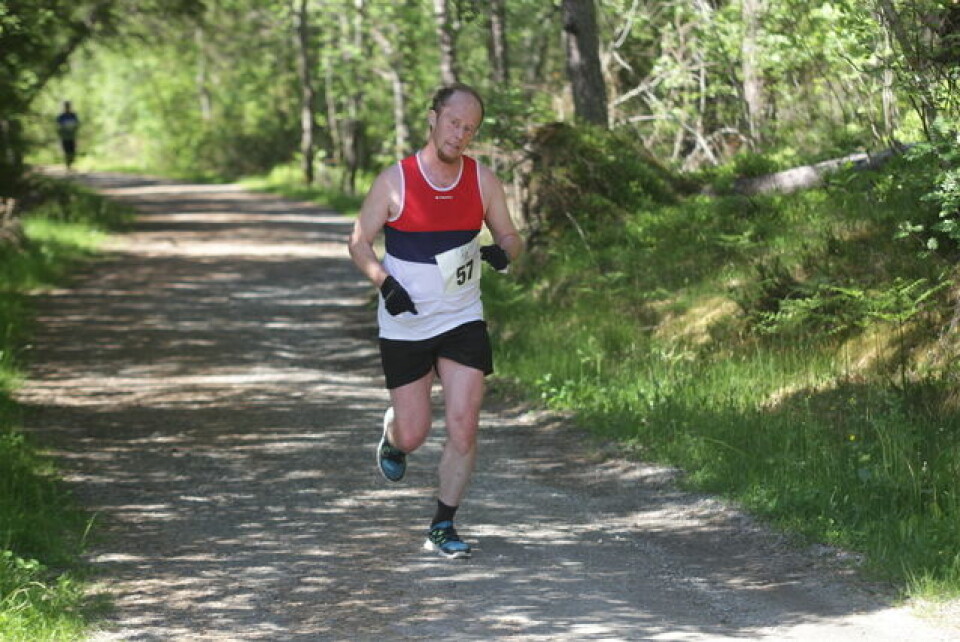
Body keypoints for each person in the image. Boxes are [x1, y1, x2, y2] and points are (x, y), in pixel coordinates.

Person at [348, 83, 522, 559]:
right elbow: (358, 241)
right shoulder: (396, 180)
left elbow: (511, 236)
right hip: (405, 321)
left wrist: (502, 253)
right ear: (433, 118)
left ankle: (443, 525)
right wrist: (384, 283)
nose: (460, 134)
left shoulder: (483, 180)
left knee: (464, 425)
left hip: (462, 317)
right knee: (416, 432)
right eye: (453, 123)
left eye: (470, 129)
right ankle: (393, 437)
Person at [56, 101, 80, 170]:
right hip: (64, 136)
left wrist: (74, 129)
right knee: (66, 151)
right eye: (66, 106)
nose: (67, 107)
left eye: (68, 106)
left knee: (72, 150)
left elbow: (77, 124)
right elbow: (58, 125)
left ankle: (70, 162)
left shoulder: (73, 115)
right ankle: (68, 165)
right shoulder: (61, 116)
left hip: (72, 136)